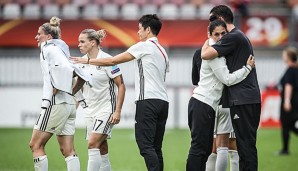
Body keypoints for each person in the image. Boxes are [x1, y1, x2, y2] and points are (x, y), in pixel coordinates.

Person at [71, 14, 169, 171]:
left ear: (148, 30)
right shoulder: (163, 51)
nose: (138, 33)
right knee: (155, 147)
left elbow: (113, 61)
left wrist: (87, 61)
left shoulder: (143, 45)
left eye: (139, 29)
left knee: (145, 146)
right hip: (163, 101)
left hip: (147, 101)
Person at [187, 19, 254, 171]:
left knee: (205, 149)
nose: (220, 37)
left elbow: (195, 79)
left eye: (223, 34)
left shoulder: (209, 49)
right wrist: (247, 69)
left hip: (205, 104)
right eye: (216, 34)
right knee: (200, 149)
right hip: (203, 103)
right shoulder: (214, 54)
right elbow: (228, 79)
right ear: (209, 34)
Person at [201, 5, 261, 171]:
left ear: (221, 19)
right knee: (244, 145)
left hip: (243, 98)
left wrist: (208, 40)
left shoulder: (232, 37)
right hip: (245, 98)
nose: (211, 24)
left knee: (245, 146)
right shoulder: (238, 36)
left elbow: (204, 54)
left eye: (213, 20)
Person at [29, 16, 91, 171]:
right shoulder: (62, 49)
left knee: (36, 145)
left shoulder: (49, 48)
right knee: (67, 150)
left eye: (39, 34)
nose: (36, 37)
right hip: (69, 104)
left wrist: (58, 84)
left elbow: (65, 68)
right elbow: (79, 73)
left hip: (56, 103)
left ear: (48, 37)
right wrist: (70, 90)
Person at [76, 29, 126, 171]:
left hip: (106, 110)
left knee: (92, 144)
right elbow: (78, 89)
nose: (79, 44)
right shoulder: (81, 63)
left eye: (82, 41)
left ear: (93, 42)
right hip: (90, 111)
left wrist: (117, 111)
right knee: (101, 147)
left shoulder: (108, 60)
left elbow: (121, 85)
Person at [278, 47, 298, 155]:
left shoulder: (290, 70)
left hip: (290, 101)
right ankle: (285, 149)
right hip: (296, 101)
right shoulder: (296, 69)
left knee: (286, 124)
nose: (283, 56)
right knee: (291, 125)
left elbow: (288, 86)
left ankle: (285, 150)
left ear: (289, 57)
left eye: (284, 54)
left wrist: (286, 101)